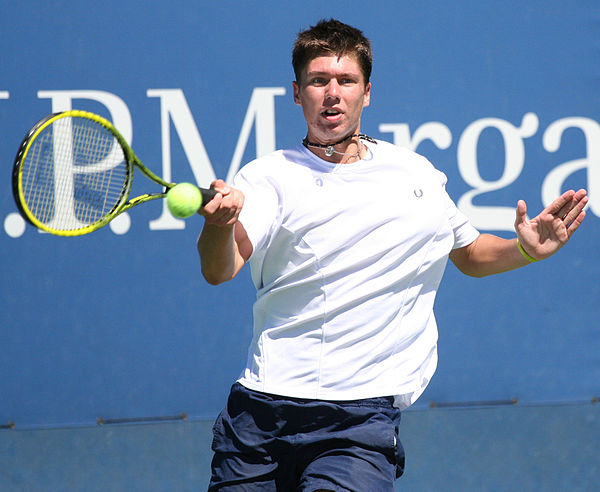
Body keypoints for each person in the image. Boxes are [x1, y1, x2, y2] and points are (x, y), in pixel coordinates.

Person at [197, 18, 588, 491]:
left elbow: (469, 254)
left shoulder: (414, 173)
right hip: (260, 414)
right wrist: (218, 226)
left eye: (346, 81)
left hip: (358, 422)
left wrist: (525, 249)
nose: (332, 93)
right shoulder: (267, 176)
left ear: (367, 93)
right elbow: (220, 270)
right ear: (298, 93)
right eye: (318, 81)